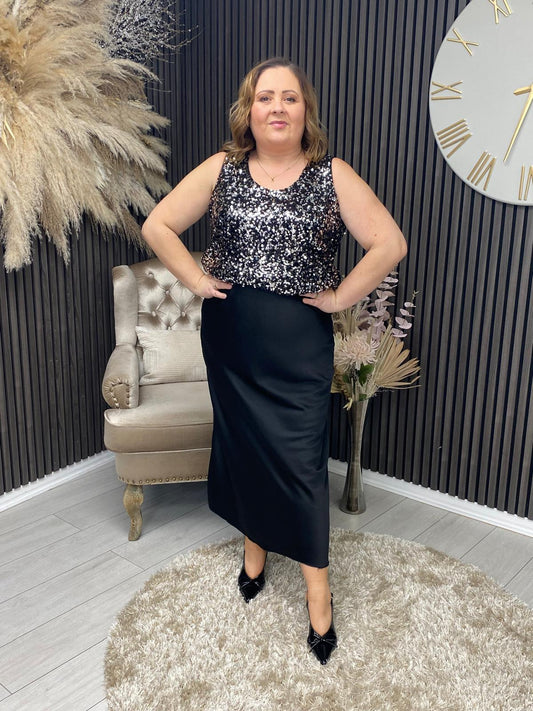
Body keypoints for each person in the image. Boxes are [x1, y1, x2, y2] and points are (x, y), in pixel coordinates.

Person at [141, 57, 407, 665]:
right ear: (249, 110)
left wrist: (340, 297)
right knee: (246, 449)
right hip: (232, 338)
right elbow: (158, 226)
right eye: (266, 97)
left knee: (302, 463)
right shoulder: (222, 168)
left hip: (298, 344)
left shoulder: (331, 175)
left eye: (289, 97)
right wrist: (197, 280)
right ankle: (254, 553)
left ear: (305, 110)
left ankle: (319, 594)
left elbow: (389, 243)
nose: (278, 107)